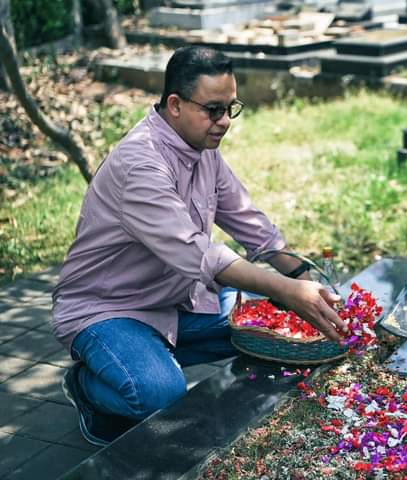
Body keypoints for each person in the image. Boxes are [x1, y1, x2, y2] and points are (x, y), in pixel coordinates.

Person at [51, 46, 346, 447]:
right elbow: (200, 254)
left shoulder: (201, 148)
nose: (224, 122)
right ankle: (89, 384)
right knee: (162, 395)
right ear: (175, 104)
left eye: (231, 108)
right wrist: (288, 290)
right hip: (109, 309)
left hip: (173, 299)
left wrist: (300, 273)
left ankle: (149, 356)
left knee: (264, 327)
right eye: (213, 109)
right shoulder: (141, 164)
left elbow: (246, 219)